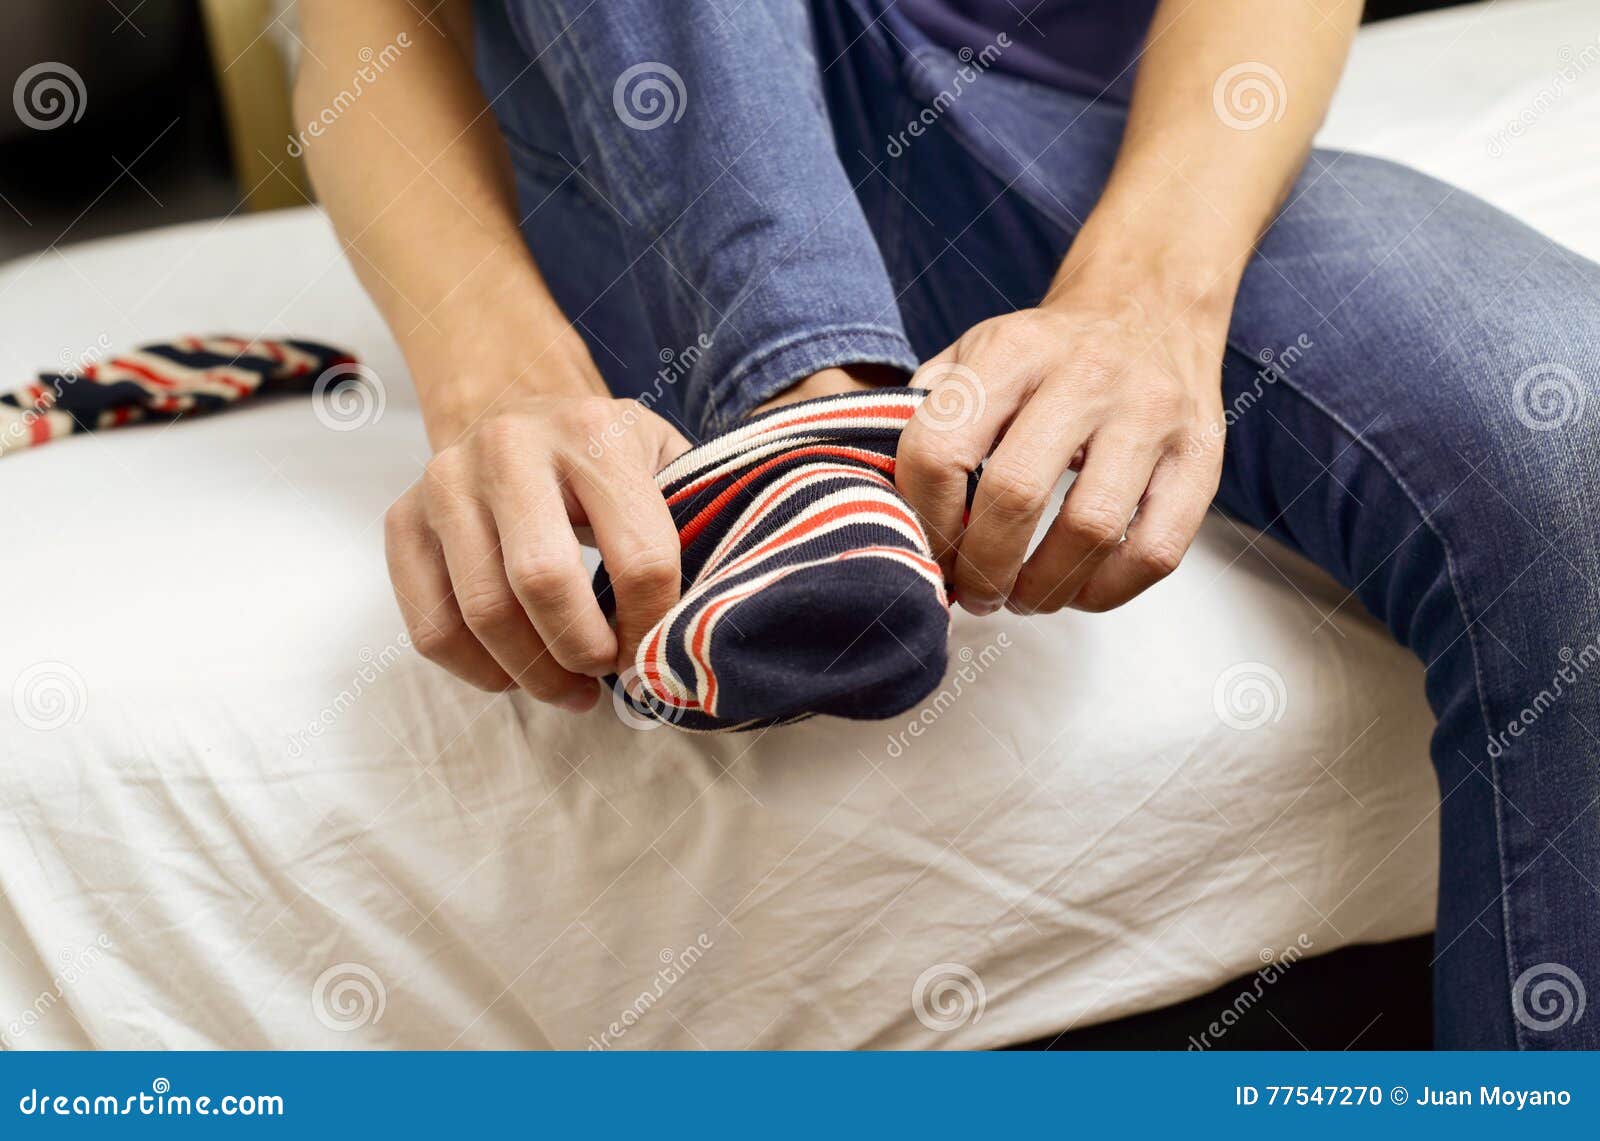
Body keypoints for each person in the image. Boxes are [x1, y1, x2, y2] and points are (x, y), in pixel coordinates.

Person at [296, 0, 1600, 1048]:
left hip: (1074, 129)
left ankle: (813, 452)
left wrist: (1148, 292)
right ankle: (806, 421)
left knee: (1574, 441)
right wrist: (499, 387)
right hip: (652, 160)